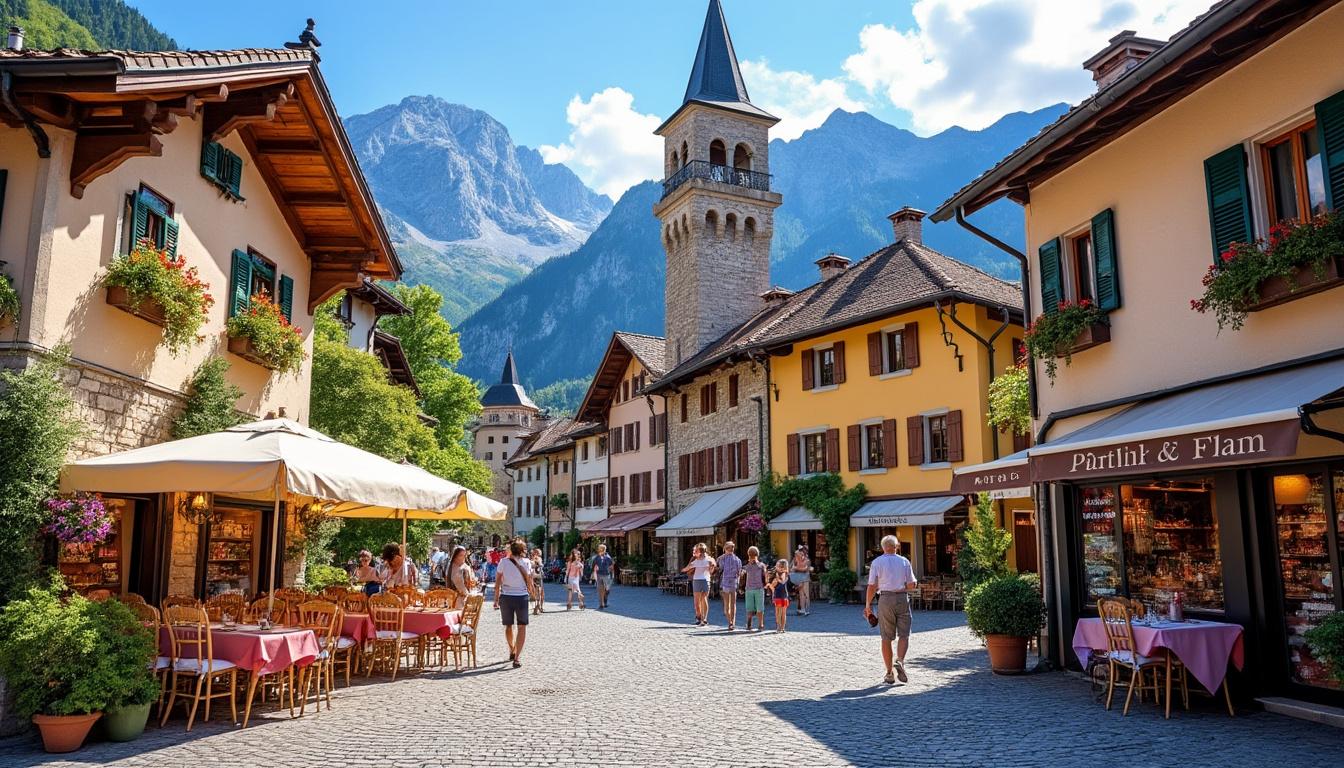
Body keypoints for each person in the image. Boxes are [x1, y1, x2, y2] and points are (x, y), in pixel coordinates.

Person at [863, 534, 918, 684]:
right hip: (902, 598)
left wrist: (868, 605)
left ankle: (889, 673)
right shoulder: (904, 561)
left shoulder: (877, 562)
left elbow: (872, 586)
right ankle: (899, 661)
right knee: (904, 634)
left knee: (886, 638)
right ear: (896, 547)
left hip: (885, 599)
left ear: (882, 548)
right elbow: (912, 585)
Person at [493, 538, 538, 669]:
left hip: (506, 596)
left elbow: (497, 583)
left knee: (508, 626)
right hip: (522, 597)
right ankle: (517, 658)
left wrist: (496, 599)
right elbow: (530, 579)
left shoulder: (503, 562)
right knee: (522, 626)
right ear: (523, 550)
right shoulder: (527, 562)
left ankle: (512, 648)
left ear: (511, 550)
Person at [681, 543, 716, 626]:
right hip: (699, 580)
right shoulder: (697, 561)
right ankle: (699, 617)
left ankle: (704, 619)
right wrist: (685, 569)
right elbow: (687, 569)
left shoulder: (709, 560)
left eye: (696, 551)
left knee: (702, 599)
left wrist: (712, 566)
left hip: (703, 580)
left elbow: (711, 571)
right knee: (699, 601)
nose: (695, 552)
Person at [716, 542, 743, 631]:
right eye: (729, 548)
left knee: (729, 605)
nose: (730, 550)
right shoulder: (736, 559)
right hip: (730, 582)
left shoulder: (729, 559)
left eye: (730, 548)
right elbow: (739, 573)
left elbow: (720, 567)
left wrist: (720, 558)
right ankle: (731, 622)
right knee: (730, 605)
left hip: (729, 583)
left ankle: (731, 622)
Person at [742, 546, 768, 632]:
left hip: (749, 589)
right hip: (758, 588)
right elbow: (765, 577)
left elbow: (742, 576)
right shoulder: (761, 565)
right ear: (758, 554)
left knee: (750, 608)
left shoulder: (746, 566)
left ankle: (749, 624)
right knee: (760, 608)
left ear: (748, 554)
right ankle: (760, 625)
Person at [767, 559, 791, 633]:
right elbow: (772, 587)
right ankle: (778, 626)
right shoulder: (775, 575)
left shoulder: (786, 574)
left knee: (783, 613)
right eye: (778, 566)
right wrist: (770, 586)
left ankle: (783, 627)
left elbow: (783, 582)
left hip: (784, 596)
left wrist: (777, 579)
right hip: (777, 595)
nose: (780, 568)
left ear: (785, 568)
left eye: (782, 567)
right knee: (778, 612)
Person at [591, 543, 615, 609]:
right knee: (600, 589)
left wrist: (612, 574)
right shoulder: (596, 557)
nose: (600, 550)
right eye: (599, 549)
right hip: (599, 574)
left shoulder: (608, 557)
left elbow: (612, 566)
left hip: (607, 575)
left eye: (602, 549)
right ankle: (601, 604)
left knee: (607, 589)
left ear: (604, 550)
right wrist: (593, 573)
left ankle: (605, 599)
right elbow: (593, 566)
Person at [791, 546, 813, 616]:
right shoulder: (796, 559)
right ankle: (803, 609)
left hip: (805, 578)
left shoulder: (807, 560)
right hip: (799, 578)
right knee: (801, 594)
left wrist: (796, 568)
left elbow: (806, 569)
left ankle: (807, 610)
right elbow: (791, 568)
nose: (800, 553)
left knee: (806, 594)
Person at [530, 548, 546, 614]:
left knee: (540, 593)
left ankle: (540, 606)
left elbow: (540, 568)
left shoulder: (538, 559)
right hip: (536, 578)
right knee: (538, 593)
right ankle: (537, 607)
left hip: (538, 577)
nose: (540, 554)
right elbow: (533, 567)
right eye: (539, 553)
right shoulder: (533, 560)